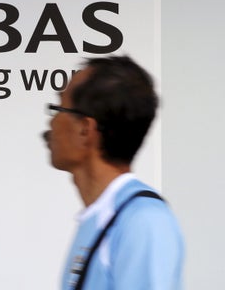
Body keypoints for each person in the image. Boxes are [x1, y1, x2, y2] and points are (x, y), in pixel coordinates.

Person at [43, 56, 184, 289]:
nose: (51, 122)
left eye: (58, 109)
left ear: (85, 130)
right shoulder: (101, 215)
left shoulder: (144, 221)